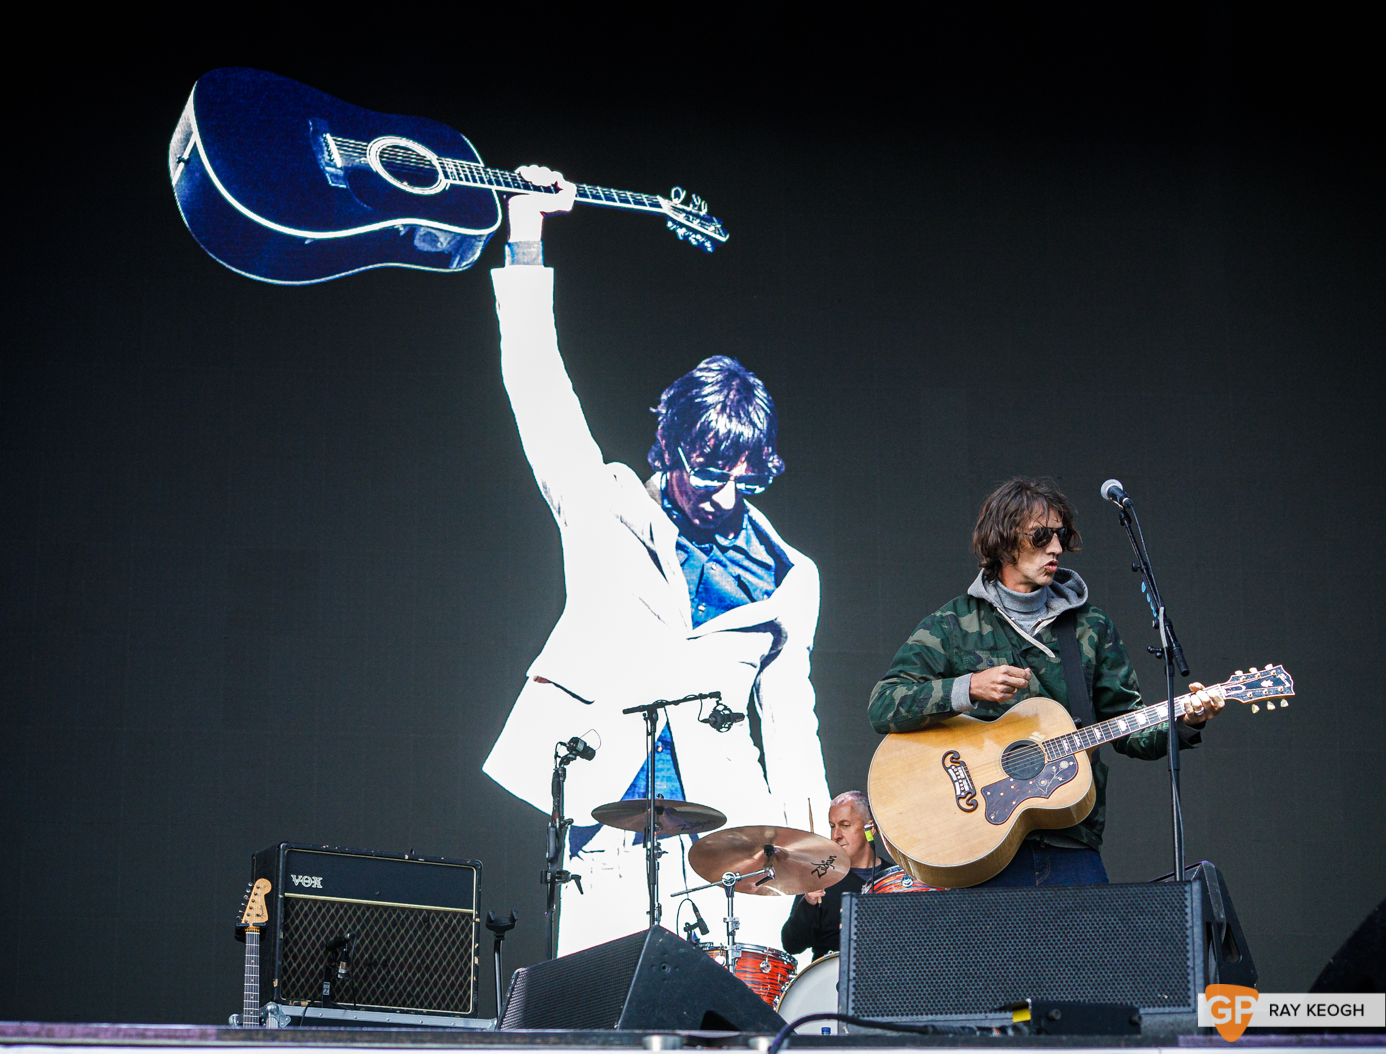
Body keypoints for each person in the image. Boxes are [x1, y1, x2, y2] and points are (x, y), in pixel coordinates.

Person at [481, 168, 831, 954]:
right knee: (603, 1015)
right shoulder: (604, 510)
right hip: (607, 812)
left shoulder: (789, 576)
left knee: (732, 1015)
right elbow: (540, 392)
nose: (729, 493)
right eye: (710, 471)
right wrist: (529, 239)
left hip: (729, 831)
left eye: (752, 474)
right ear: (667, 450)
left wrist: (810, 862)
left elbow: (790, 720)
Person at [868, 477, 1224, 886]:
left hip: (1071, 841)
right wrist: (968, 687)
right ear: (1002, 540)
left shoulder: (1091, 626)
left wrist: (1187, 719)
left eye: (1061, 535)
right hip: (979, 846)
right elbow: (883, 704)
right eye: (1040, 536)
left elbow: (1129, 729)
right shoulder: (952, 625)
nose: (1055, 548)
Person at [781, 791, 889, 961]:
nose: (835, 836)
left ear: (870, 829)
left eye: (845, 825)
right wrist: (808, 903)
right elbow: (792, 945)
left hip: (887, 979)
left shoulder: (896, 879)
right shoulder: (821, 876)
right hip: (830, 980)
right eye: (832, 826)